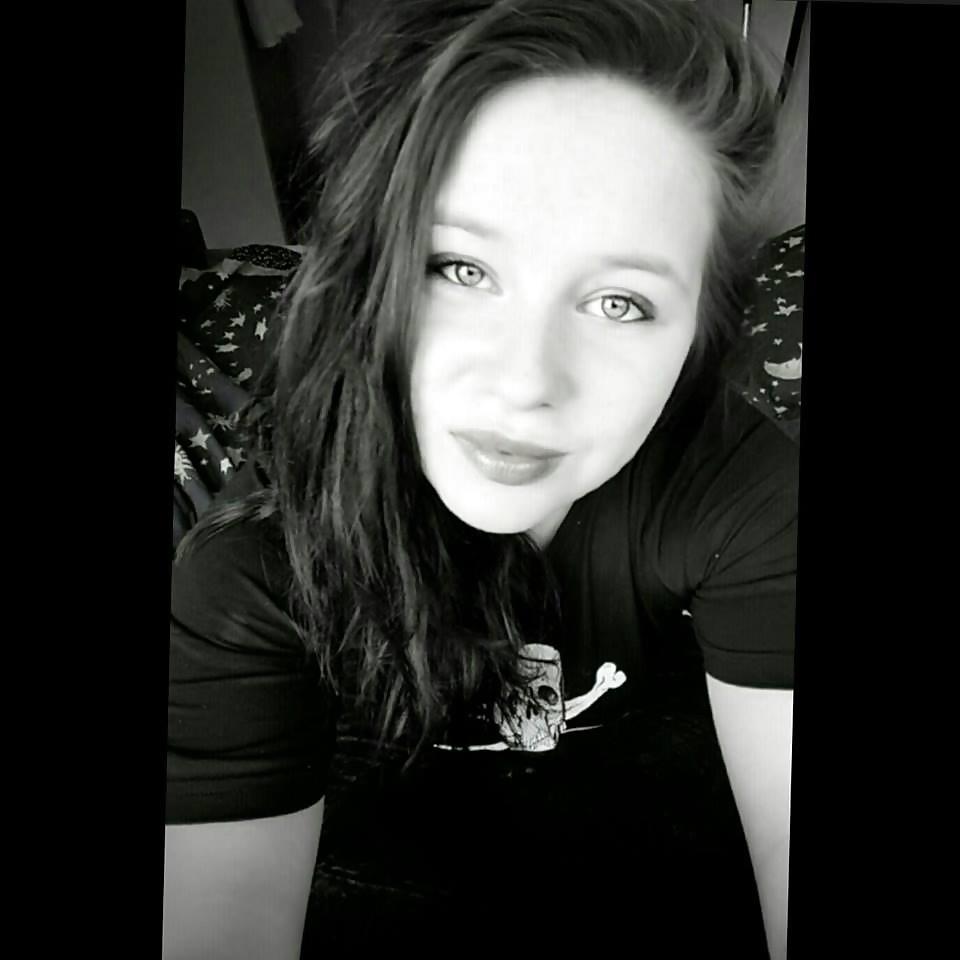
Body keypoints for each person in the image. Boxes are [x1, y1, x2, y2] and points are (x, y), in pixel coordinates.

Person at [164, 1, 798, 957]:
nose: (524, 383)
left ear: (700, 333)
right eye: (459, 269)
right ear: (365, 272)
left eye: (619, 302)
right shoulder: (253, 561)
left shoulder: (747, 493)